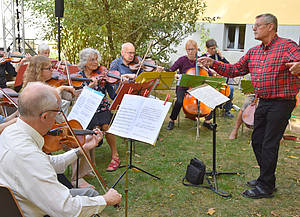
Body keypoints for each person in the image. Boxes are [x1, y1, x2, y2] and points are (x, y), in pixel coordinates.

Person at [199, 13, 300, 199]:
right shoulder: (254, 51)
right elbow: (235, 69)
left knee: (269, 144)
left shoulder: (287, 46)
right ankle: (266, 177)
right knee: (257, 141)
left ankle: (266, 186)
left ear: (270, 27)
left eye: (257, 25)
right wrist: (214, 63)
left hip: (282, 103)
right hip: (262, 100)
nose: (253, 28)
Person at [0, 82, 121, 216]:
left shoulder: (10, 132)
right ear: (45, 116)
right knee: (92, 197)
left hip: (23, 202)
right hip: (37, 211)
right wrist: (105, 200)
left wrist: (82, 149)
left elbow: (48, 163)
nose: (59, 117)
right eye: (58, 112)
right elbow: (66, 209)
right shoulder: (29, 157)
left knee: (89, 193)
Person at [22, 55, 92, 189]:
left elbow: (71, 95)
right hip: (44, 131)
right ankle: (74, 180)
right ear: (38, 70)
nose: (53, 71)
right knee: (77, 142)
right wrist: (58, 90)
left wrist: (87, 88)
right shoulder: (31, 89)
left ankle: (80, 175)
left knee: (81, 138)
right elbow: (43, 101)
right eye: (49, 68)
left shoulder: (50, 84)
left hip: (56, 124)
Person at [77, 48, 120, 173]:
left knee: (106, 126)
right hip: (88, 109)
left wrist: (121, 86)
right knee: (94, 129)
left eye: (96, 59)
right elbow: (78, 97)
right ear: (85, 62)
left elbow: (112, 95)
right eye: (92, 60)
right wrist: (90, 86)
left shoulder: (103, 75)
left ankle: (115, 156)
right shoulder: (79, 77)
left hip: (103, 107)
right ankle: (91, 162)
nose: (96, 62)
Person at [166, 39, 199, 130]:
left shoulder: (199, 61)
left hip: (195, 87)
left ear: (196, 49)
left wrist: (205, 68)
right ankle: (172, 120)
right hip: (182, 86)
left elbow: (209, 74)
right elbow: (171, 70)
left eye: (192, 49)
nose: (190, 52)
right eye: (188, 49)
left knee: (206, 99)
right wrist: (175, 74)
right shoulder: (182, 60)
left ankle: (207, 120)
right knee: (179, 101)